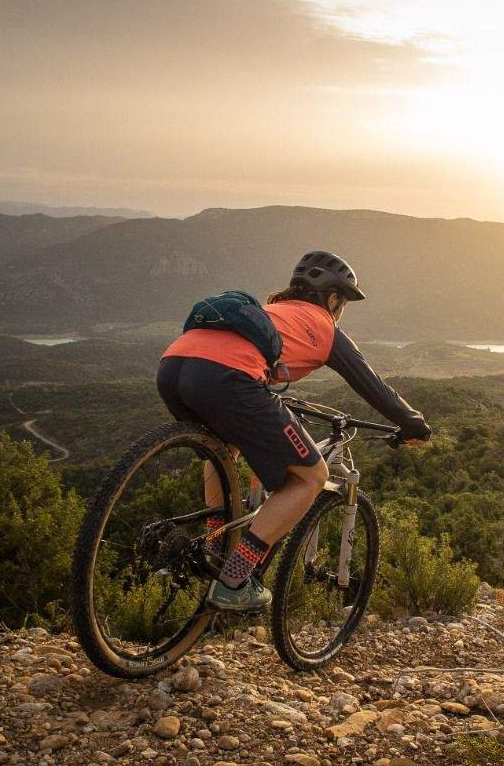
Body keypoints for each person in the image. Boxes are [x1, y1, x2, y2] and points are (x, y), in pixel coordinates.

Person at [156, 250, 431, 612]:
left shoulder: (273, 312)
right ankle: (234, 579)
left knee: (226, 448)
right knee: (310, 476)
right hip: (227, 377)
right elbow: (372, 385)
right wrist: (414, 424)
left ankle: (215, 541)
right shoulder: (324, 325)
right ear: (332, 298)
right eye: (343, 302)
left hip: (173, 367)